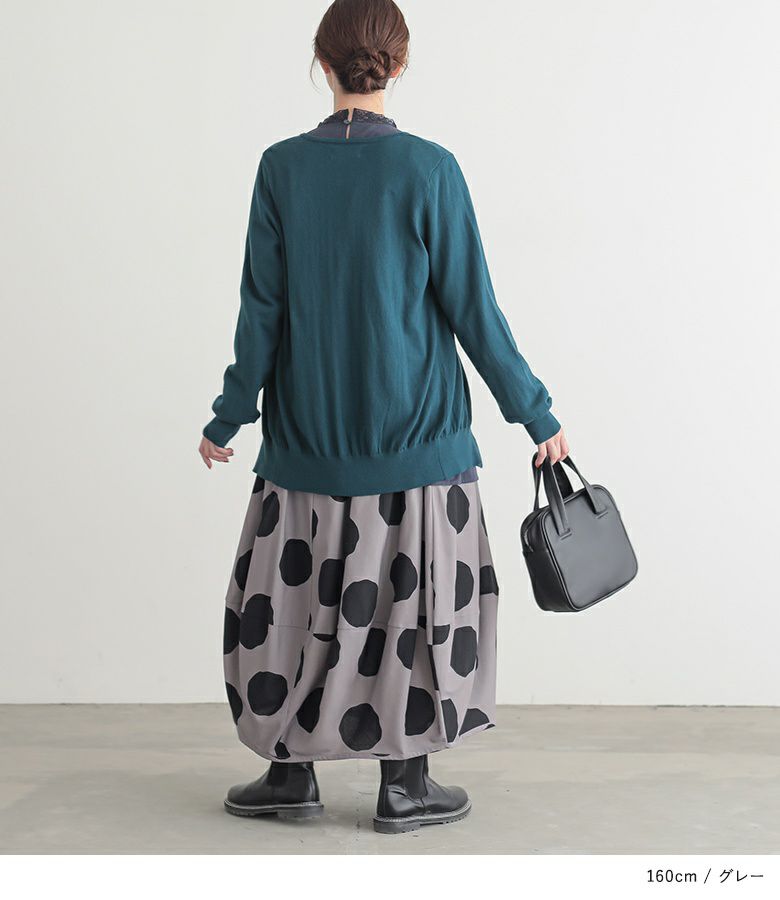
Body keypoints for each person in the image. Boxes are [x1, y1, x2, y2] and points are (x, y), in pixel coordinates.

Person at [199, 0, 568, 835]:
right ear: (398, 66)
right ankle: (405, 785)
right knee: (416, 613)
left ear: (320, 60)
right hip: (420, 449)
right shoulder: (430, 169)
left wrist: (228, 417)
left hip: (307, 447)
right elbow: (475, 310)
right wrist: (535, 414)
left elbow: (261, 314)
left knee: (293, 612)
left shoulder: (281, 169)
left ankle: (290, 778)